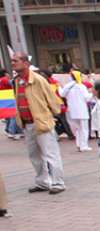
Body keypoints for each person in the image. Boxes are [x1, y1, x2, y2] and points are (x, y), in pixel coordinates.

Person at [11, 51, 65, 195]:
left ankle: (58, 182)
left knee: (50, 154)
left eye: (16, 60)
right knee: (34, 155)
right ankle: (42, 182)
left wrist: (52, 115)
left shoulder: (38, 79)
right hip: (26, 124)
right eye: (12, 61)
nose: (13, 63)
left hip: (42, 123)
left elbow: (52, 99)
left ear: (26, 63)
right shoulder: (16, 81)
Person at [59, 64, 92, 151]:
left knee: (77, 129)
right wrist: (92, 94)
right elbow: (87, 98)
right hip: (82, 110)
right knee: (84, 128)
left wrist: (58, 87)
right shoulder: (81, 86)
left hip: (72, 111)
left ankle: (78, 144)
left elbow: (62, 94)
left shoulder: (67, 86)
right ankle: (84, 145)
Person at [0, 70, 22, 140]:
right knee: (13, 115)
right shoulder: (4, 80)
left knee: (8, 116)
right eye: (8, 73)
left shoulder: (1, 80)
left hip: (4, 98)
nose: (9, 75)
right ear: (5, 74)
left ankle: (12, 130)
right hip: (9, 97)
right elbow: (13, 84)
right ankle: (12, 132)